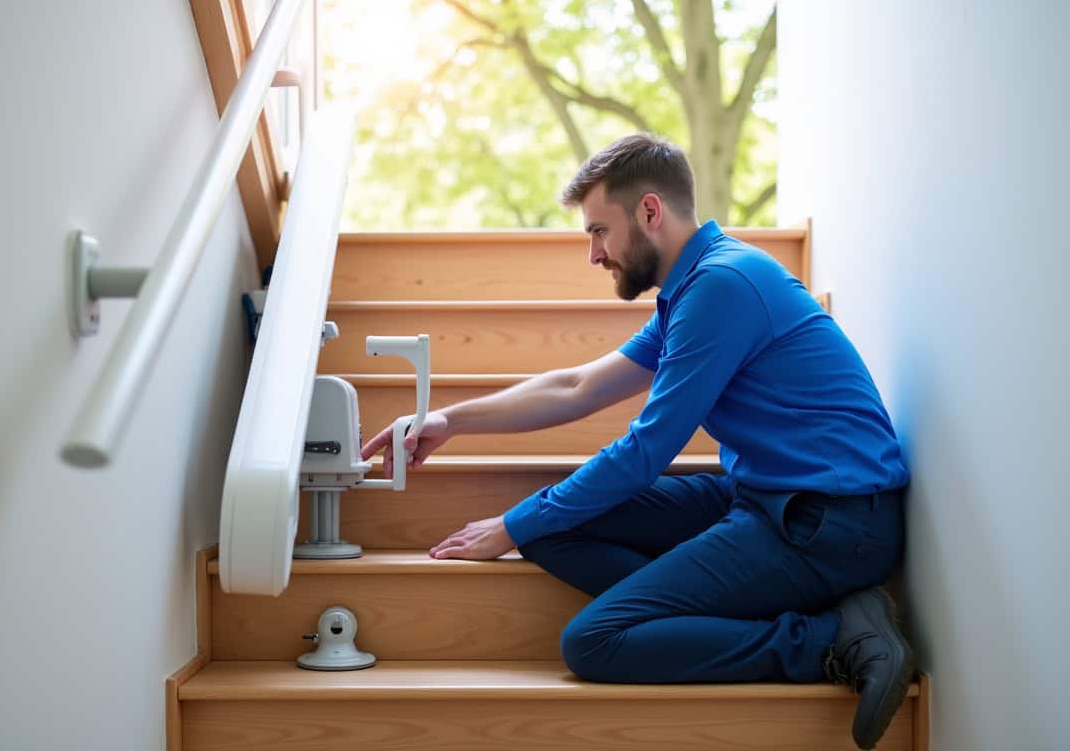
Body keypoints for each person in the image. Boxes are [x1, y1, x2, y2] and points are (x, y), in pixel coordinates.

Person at [361, 133, 914, 750]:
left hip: (829, 525)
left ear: (650, 211)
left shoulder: (724, 286)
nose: (594, 254)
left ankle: (831, 639)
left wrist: (512, 526)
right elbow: (577, 386)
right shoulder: (694, 288)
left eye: (599, 231)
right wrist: (451, 421)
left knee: (593, 641)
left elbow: (647, 451)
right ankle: (704, 607)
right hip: (764, 497)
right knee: (555, 521)